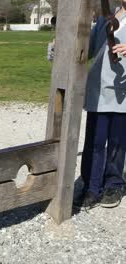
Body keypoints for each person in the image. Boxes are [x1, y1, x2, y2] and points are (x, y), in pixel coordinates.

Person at [76, 1, 126, 209]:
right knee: (94, 143)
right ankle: (91, 186)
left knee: (117, 143)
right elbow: (88, 50)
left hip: (123, 94)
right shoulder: (106, 17)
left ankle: (113, 184)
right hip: (99, 92)